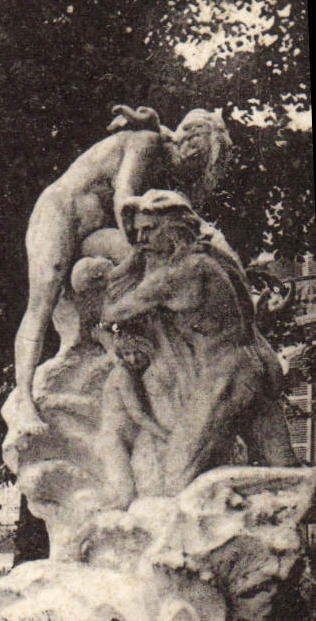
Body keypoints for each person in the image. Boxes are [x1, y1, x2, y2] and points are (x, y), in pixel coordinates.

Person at [12, 105, 231, 438]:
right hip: (61, 211)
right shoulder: (147, 142)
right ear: (189, 146)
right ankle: (25, 400)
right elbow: (123, 199)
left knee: (151, 275)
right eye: (194, 164)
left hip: (93, 229)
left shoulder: (162, 157)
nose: (191, 176)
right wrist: (138, 252)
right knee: (42, 300)